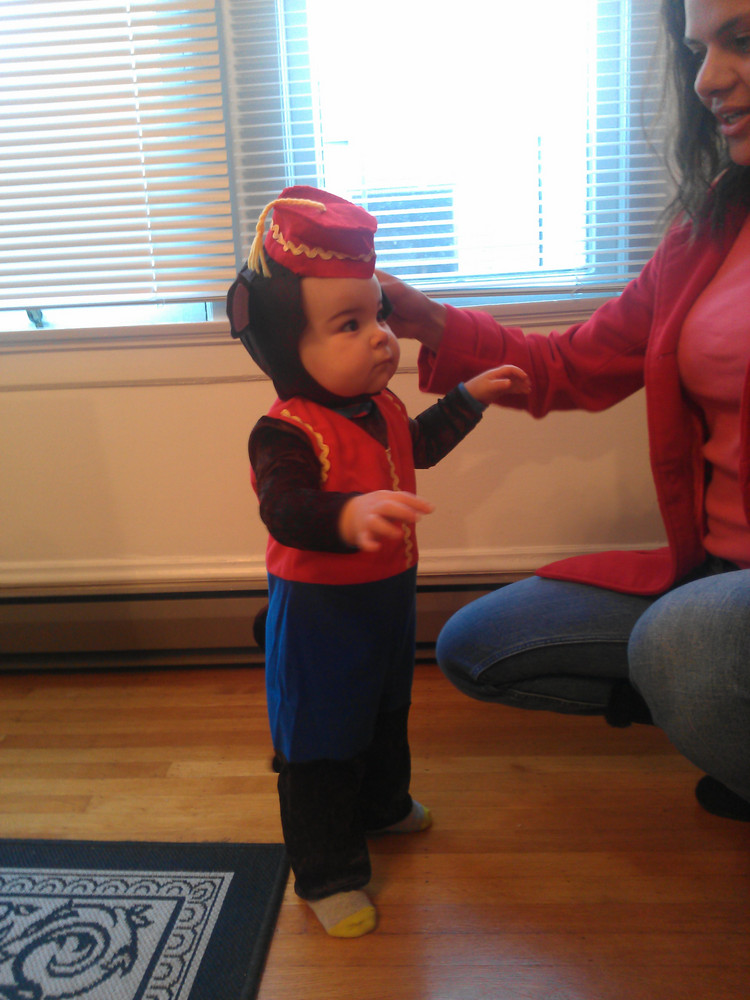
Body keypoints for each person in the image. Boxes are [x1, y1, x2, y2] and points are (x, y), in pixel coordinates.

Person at [377, 0, 750, 823]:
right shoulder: (711, 227)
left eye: (743, 41)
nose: (707, 80)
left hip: (713, 613)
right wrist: (429, 321)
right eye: (697, 50)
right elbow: (572, 365)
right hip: (713, 576)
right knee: (475, 646)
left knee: (683, 643)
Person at [226, 186, 530, 937]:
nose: (381, 340)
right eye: (349, 325)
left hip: (390, 596)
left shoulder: (384, 406)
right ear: (284, 343)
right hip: (321, 609)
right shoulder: (285, 431)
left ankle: (384, 805)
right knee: (320, 737)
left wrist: (468, 397)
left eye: (379, 318)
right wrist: (348, 513)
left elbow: (416, 446)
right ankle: (325, 873)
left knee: (388, 710)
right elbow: (285, 508)